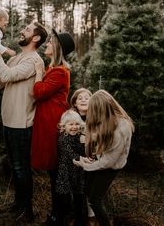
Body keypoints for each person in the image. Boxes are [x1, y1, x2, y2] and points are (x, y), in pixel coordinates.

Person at [0, 21, 48, 223]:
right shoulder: (18, 58)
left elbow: (6, 75)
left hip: (22, 123)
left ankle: (27, 211)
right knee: (15, 166)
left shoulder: (33, 61)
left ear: (36, 38)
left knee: (22, 168)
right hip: (9, 120)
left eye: (28, 30)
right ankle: (18, 204)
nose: (22, 30)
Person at [31, 29, 75, 225]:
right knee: (54, 172)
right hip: (47, 122)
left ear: (58, 48)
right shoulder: (53, 69)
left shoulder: (59, 71)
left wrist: (38, 75)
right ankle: (63, 209)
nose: (47, 44)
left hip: (53, 124)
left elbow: (39, 92)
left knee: (56, 172)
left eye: (50, 42)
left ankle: (58, 214)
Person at [73, 89, 135, 226]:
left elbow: (107, 162)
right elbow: (103, 138)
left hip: (111, 167)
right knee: (88, 190)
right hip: (104, 160)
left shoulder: (121, 128)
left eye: (95, 110)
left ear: (104, 108)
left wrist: (85, 165)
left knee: (95, 200)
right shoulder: (108, 118)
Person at [70, 88, 98, 226]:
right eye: (80, 98)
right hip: (76, 159)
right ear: (74, 103)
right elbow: (66, 138)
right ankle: (77, 216)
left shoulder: (96, 118)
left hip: (92, 158)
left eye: (87, 98)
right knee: (77, 189)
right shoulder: (70, 118)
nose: (83, 100)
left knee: (90, 188)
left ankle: (92, 216)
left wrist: (88, 138)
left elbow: (101, 137)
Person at [56, 109, 86, 226]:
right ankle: (63, 219)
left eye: (77, 124)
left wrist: (84, 143)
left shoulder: (80, 137)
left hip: (78, 172)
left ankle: (79, 219)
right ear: (64, 126)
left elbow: (83, 151)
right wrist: (83, 159)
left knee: (79, 196)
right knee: (65, 198)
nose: (74, 127)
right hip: (66, 172)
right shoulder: (63, 138)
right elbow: (70, 153)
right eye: (71, 124)